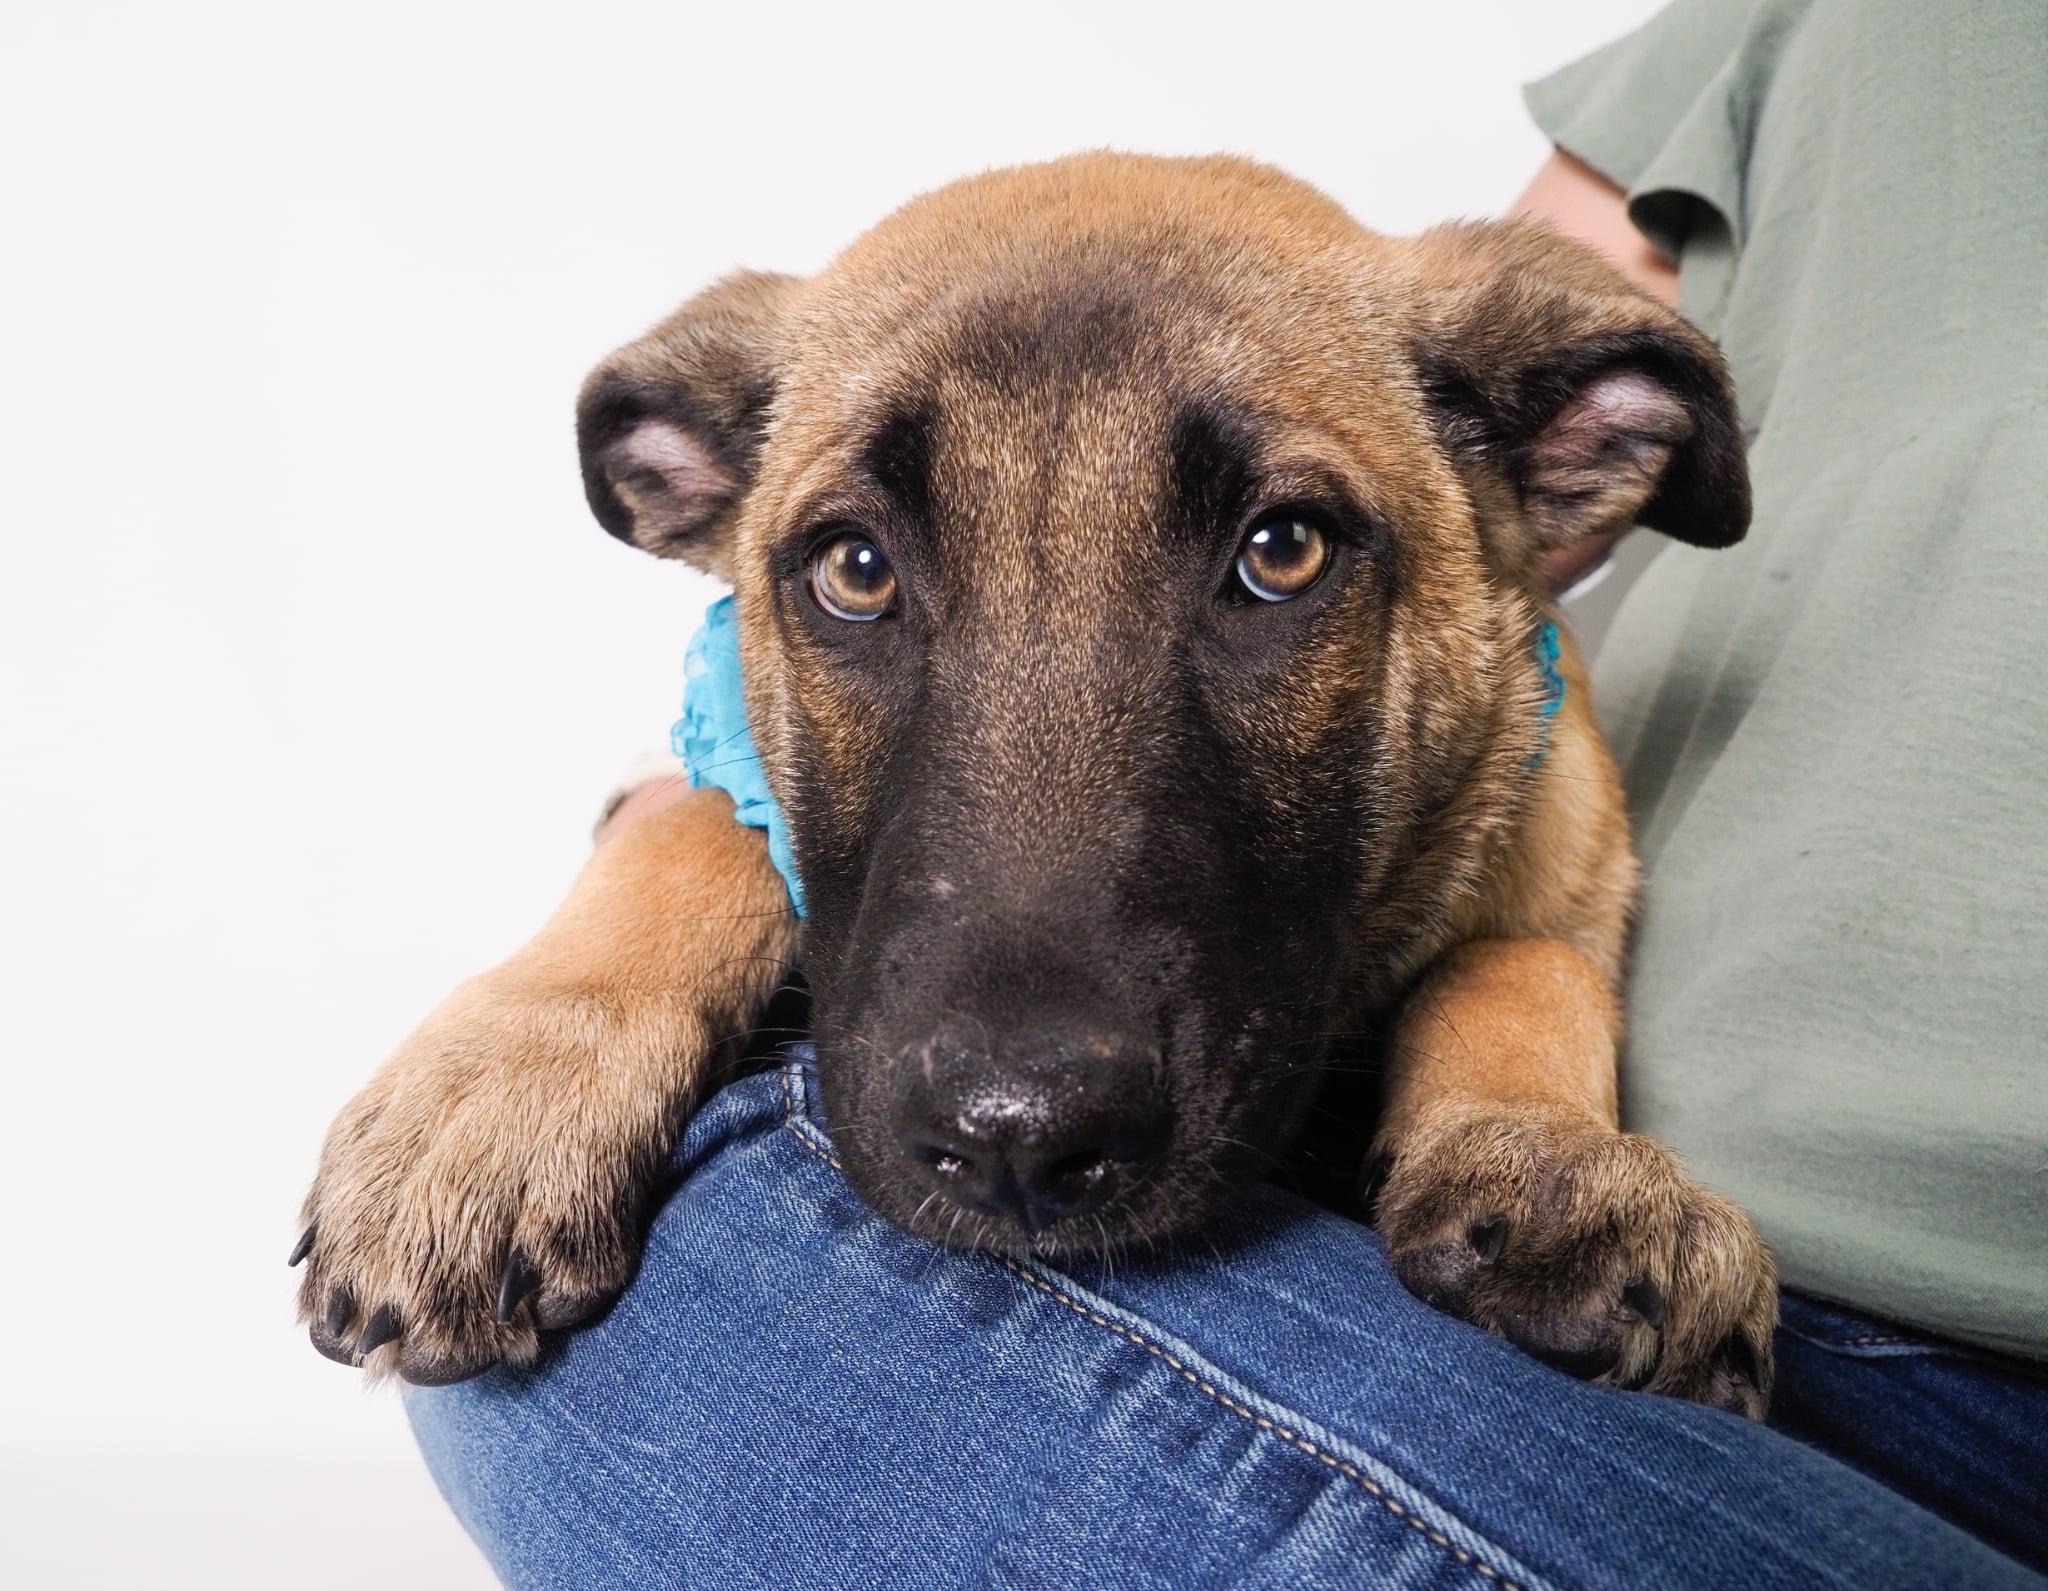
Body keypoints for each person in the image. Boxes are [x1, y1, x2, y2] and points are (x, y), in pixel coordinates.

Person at [407, 1, 2048, 1582]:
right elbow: (1409, 298)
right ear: (685, 481)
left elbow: (1527, 879)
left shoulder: (1474, 500)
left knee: (617, 1343)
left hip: (1963, 1364)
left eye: (1280, 548)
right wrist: (648, 892)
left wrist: (1520, 1085)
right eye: (852, 561)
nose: (1017, 1098)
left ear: (1545, 452)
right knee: (618, 1279)